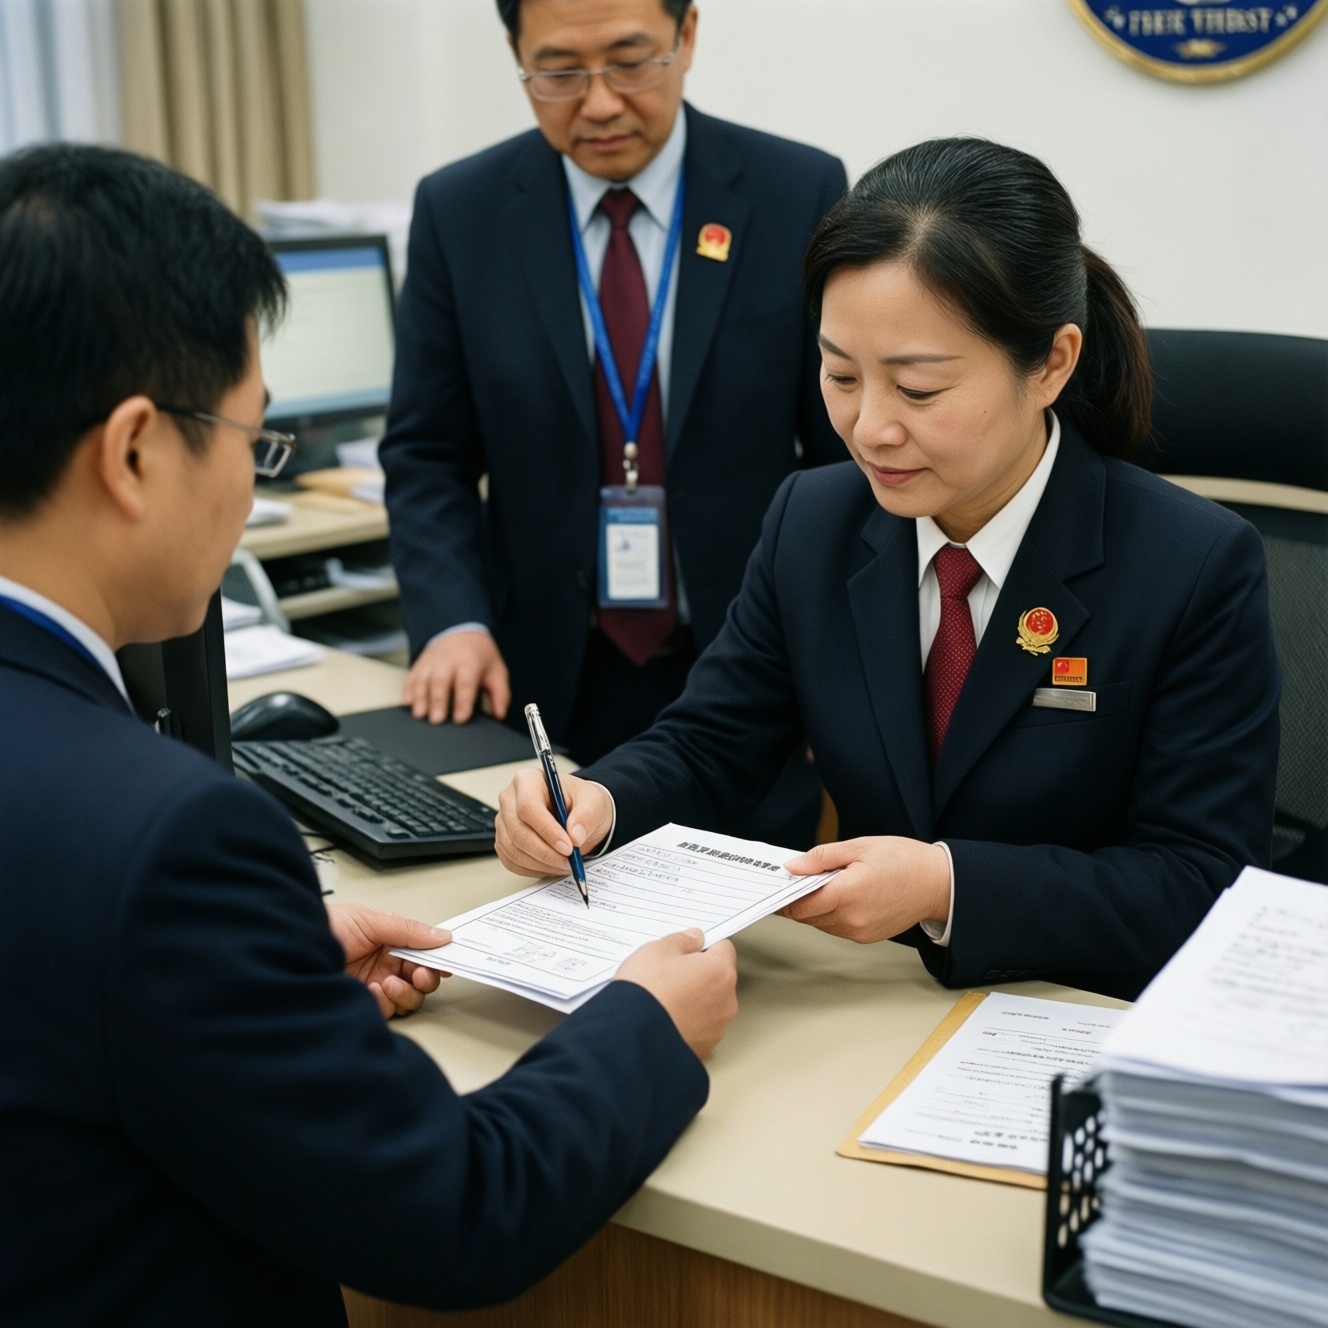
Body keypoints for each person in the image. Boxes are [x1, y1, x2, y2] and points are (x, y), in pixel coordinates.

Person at [0, 143, 737, 1327]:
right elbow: (454, 1208)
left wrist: (253, 965)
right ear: (135, 452)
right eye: (251, 439)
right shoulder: (171, 836)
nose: (249, 488)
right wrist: (645, 1022)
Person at [493, 137, 1281, 1002]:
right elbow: (712, 742)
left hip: (1075, 1011)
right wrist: (598, 798)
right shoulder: (814, 520)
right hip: (872, 997)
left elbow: (1199, 880)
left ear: (1052, 363)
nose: (870, 429)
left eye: (918, 391)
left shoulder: (1192, 564)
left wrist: (947, 886)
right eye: (840, 375)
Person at [379, 0, 847, 842]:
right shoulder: (461, 210)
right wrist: (452, 620)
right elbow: (426, 454)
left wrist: (833, 655)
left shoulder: (795, 192)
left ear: (687, 36)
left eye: (631, 62)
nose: (598, 103)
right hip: (538, 683)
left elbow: (840, 460)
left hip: (747, 676)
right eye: (559, 72)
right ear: (517, 54)